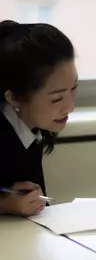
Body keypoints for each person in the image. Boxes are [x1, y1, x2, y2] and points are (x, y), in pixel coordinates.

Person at [0, 20, 77, 216]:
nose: (70, 106)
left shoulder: (32, 127)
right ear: (14, 97)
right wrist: (5, 204)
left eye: (74, 88)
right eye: (57, 98)